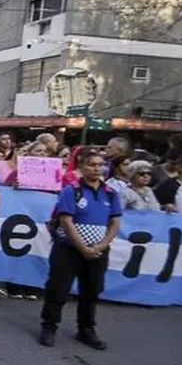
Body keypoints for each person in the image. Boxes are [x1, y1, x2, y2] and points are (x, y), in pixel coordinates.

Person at [39, 147, 121, 351]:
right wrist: (82, 247)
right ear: (82, 167)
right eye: (91, 165)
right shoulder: (72, 190)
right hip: (68, 248)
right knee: (58, 288)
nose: (96, 169)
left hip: (98, 251)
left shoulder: (111, 194)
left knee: (92, 290)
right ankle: (49, 326)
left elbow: (115, 223)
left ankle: (86, 329)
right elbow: (66, 220)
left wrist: (101, 245)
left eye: (100, 165)